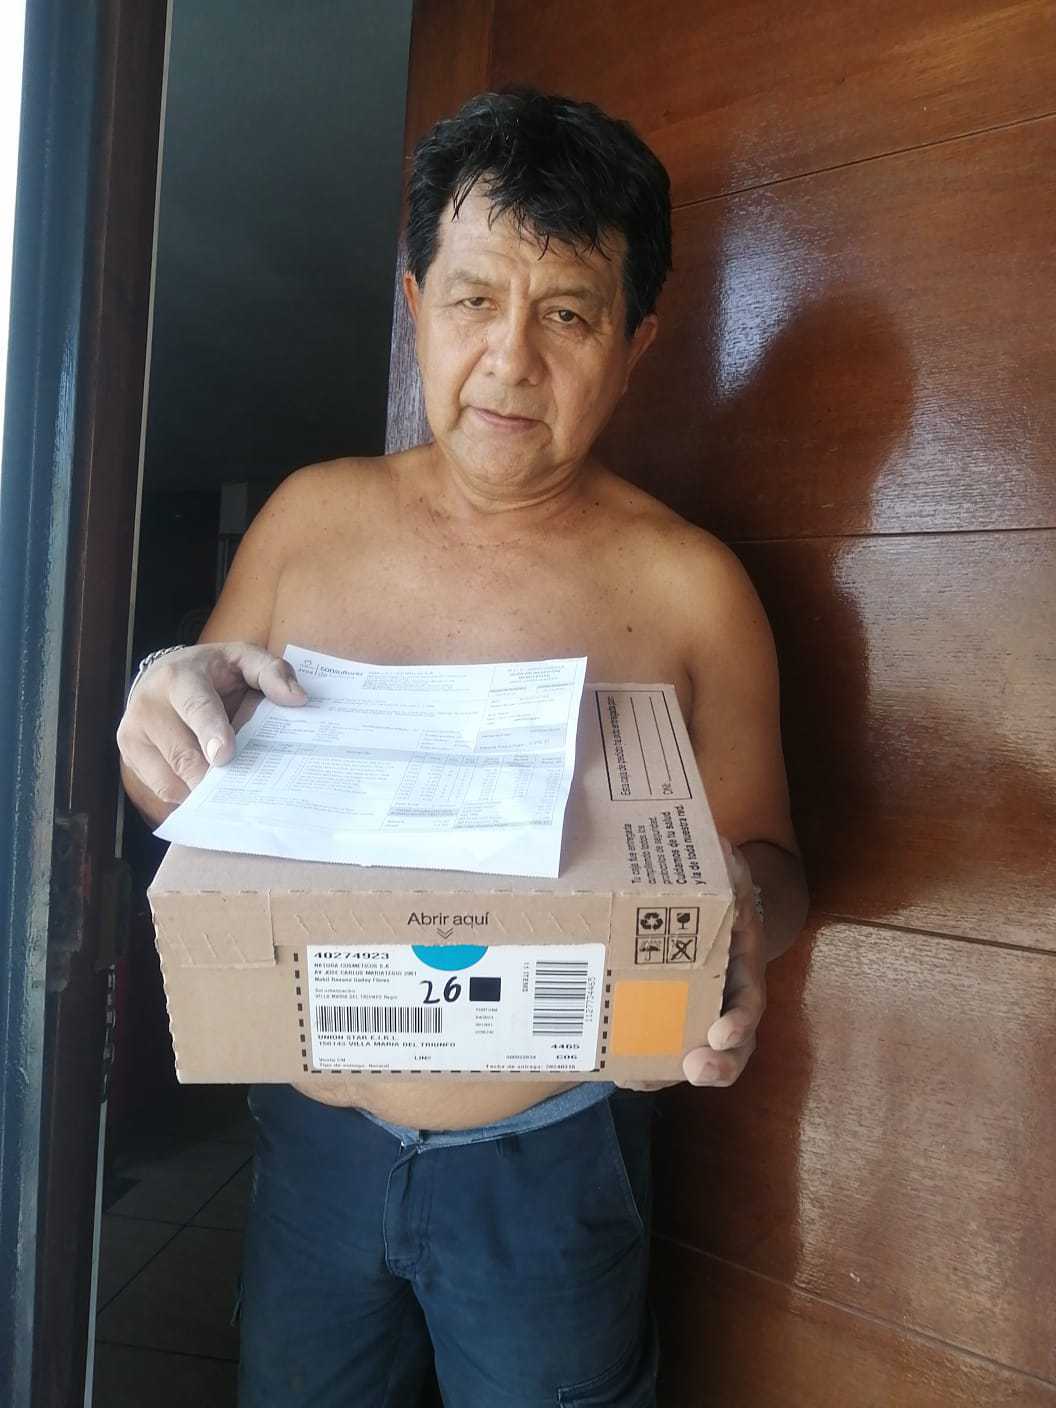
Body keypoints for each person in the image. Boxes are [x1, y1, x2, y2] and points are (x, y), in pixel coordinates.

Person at [117, 88, 809, 1408]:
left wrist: (747, 923)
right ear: (415, 304)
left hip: (552, 1159)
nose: (510, 361)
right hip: (313, 1141)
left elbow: (769, 859)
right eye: (474, 299)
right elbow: (178, 791)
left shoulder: (691, 590)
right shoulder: (308, 524)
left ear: (635, 342)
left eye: (568, 315)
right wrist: (155, 696)